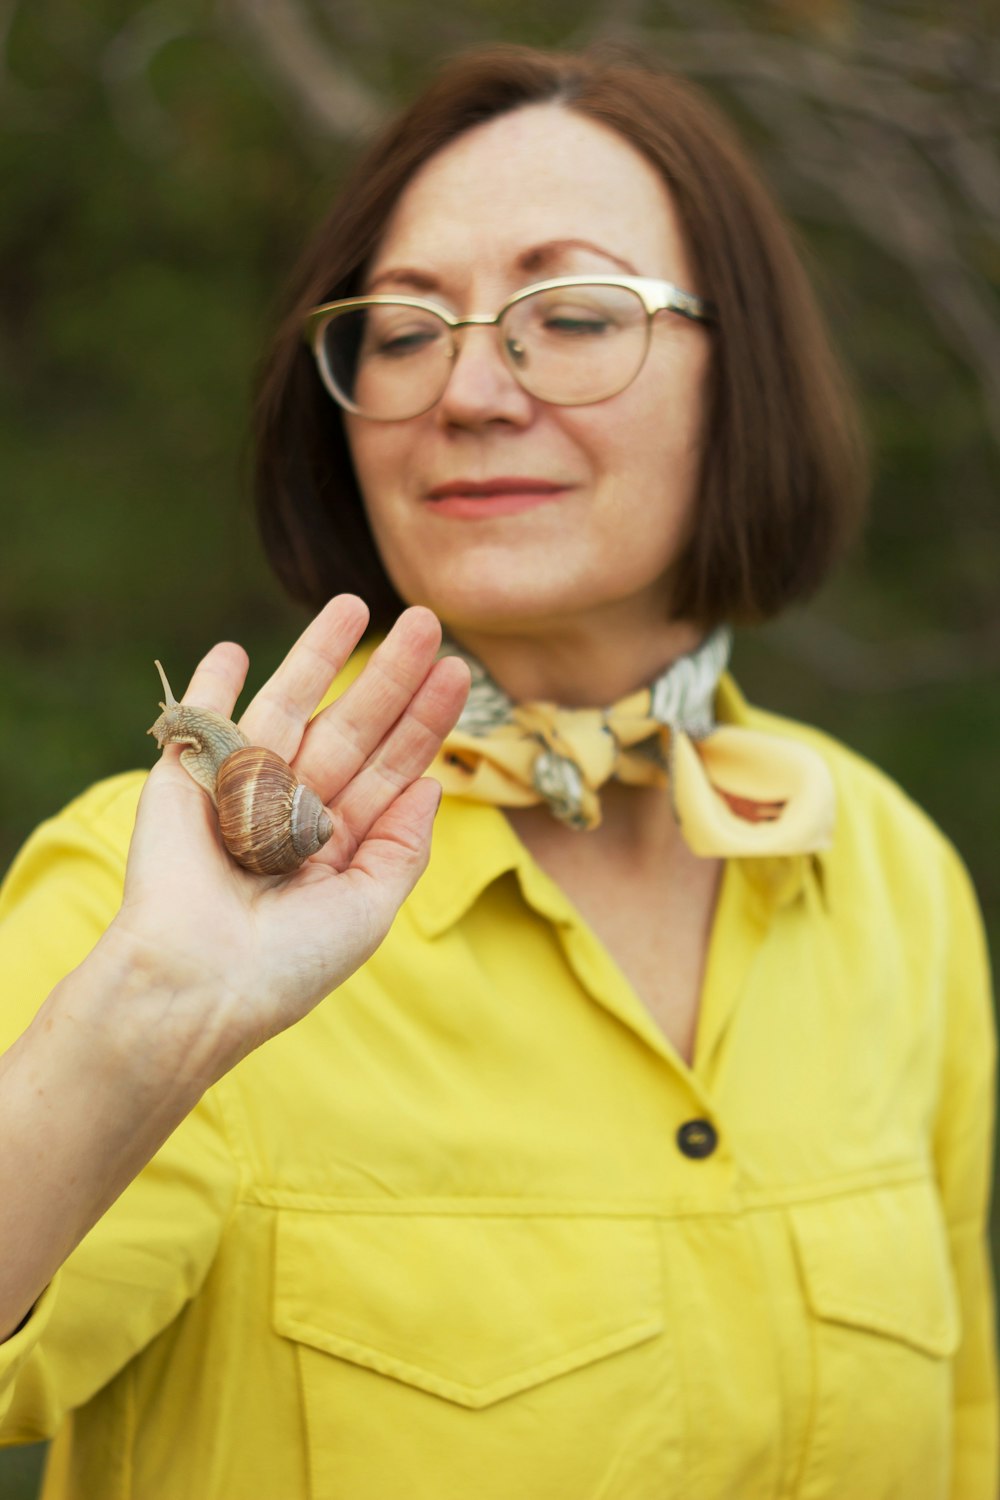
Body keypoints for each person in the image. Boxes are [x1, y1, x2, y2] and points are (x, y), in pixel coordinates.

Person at [0, 42, 995, 1500]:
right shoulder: (152, 894)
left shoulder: (888, 871)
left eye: (573, 313)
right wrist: (151, 1013)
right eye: (401, 333)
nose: (467, 388)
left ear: (749, 382)